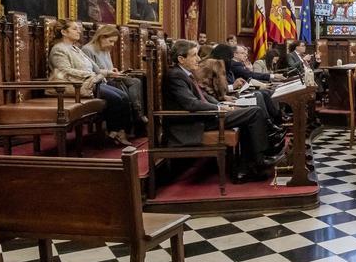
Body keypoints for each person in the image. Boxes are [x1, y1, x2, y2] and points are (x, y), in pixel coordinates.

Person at [163, 39, 281, 182]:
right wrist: (219, 108)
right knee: (254, 112)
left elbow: (204, 95)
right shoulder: (176, 75)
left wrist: (222, 103)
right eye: (194, 55)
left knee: (251, 109)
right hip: (196, 122)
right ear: (181, 59)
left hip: (206, 116)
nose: (199, 59)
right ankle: (258, 161)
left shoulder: (186, 73)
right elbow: (191, 104)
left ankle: (247, 166)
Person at [49, 19, 132, 146]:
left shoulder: (75, 48)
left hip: (91, 82)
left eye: (78, 28)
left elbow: (95, 67)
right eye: (74, 29)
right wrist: (93, 75)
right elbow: (64, 71)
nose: (79, 31)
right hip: (77, 85)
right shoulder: (58, 49)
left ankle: (119, 132)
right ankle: (114, 133)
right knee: (116, 99)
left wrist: (108, 73)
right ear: (64, 32)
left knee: (124, 96)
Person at [82, 24, 146, 127]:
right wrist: (109, 72)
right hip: (100, 82)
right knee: (123, 86)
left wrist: (113, 70)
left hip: (110, 78)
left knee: (137, 81)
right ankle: (136, 117)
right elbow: (90, 71)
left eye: (114, 42)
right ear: (102, 37)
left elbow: (108, 68)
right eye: (110, 41)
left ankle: (137, 112)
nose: (112, 45)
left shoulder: (106, 50)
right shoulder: (87, 49)